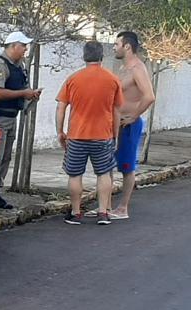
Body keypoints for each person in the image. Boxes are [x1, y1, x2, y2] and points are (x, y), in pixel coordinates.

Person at [56, 41, 123, 226]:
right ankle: (103, 212)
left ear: (84, 56)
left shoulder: (73, 79)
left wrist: (60, 131)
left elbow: (61, 107)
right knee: (103, 173)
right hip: (103, 135)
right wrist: (115, 134)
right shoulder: (112, 79)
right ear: (102, 57)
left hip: (77, 135)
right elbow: (116, 110)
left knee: (75, 174)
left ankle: (76, 212)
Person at [0, 31, 43, 213]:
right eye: (23, 45)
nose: (25, 49)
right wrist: (24, 94)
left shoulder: (19, 65)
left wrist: (30, 94)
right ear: (13, 46)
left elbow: (20, 86)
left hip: (11, 116)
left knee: (6, 157)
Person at [99, 31, 155, 220]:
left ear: (127, 46)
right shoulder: (123, 69)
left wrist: (134, 116)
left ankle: (123, 208)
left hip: (128, 125)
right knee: (107, 165)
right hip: (114, 124)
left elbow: (149, 96)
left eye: (117, 44)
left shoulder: (138, 69)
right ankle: (104, 207)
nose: (114, 47)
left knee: (126, 167)